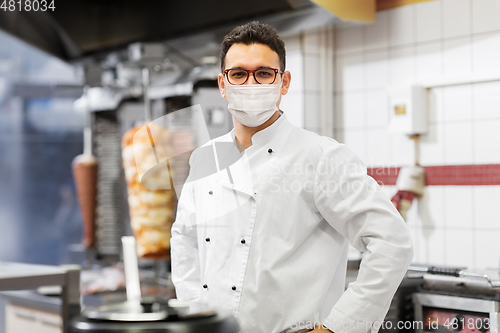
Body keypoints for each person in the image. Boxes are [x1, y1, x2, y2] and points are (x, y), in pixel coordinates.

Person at [170, 21, 413, 333]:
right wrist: (194, 313)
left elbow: (392, 242)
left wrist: (337, 328)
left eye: (263, 73)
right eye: (239, 74)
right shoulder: (205, 158)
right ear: (222, 83)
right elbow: (185, 240)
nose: (250, 84)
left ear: (283, 82)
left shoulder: (320, 157)